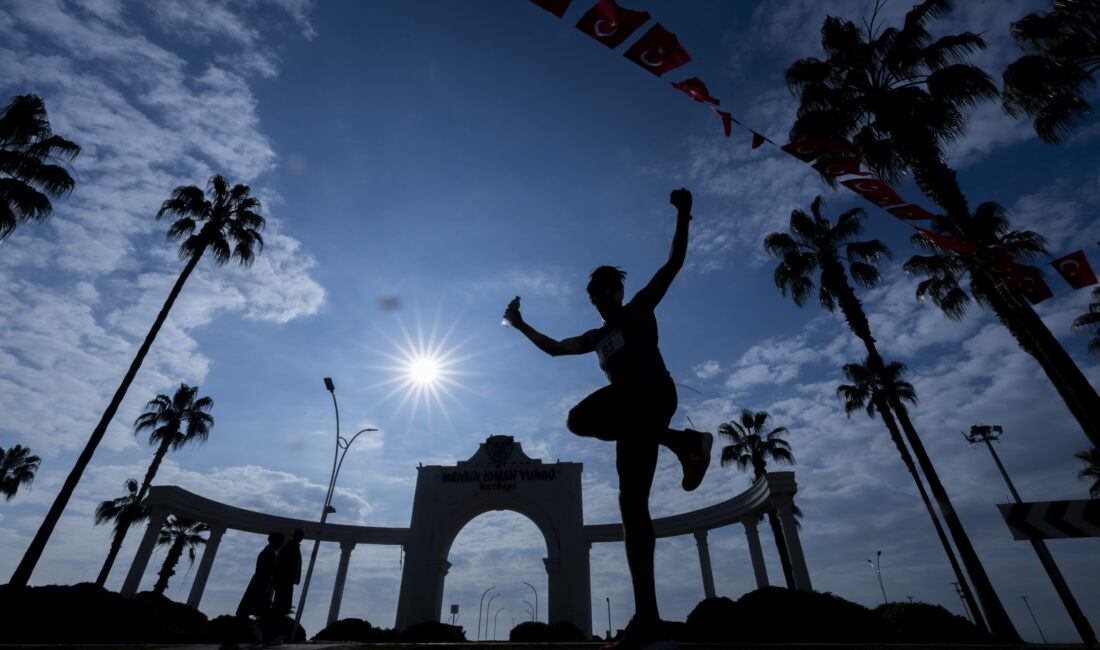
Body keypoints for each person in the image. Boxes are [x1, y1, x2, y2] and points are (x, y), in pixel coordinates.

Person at [503, 187, 712, 650]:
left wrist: (684, 214)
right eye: (593, 295)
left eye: (605, 291)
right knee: (631, 508)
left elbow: (673, 264)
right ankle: (649, 624)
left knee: (580, 416)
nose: (599, 299)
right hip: (632, 416)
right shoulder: (598, 335)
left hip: (654, 394)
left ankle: (684, 443)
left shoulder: (638, 308)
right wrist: (520, 326)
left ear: (617, 289)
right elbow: (557, 348)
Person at [236, 531, 284, 642]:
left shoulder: (269, 552)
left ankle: (264, 635)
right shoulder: (269, 553)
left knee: (257, 611)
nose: (282, 544)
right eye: (281, 541)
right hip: (261, 585)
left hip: (262, 585)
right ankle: (266, 636)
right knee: (256, 611)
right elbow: (267, 570)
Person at [273, 528, 304, 616]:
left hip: (287, 579)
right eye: (299, 535)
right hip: (285, 579)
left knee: (284, 600)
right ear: (295, 535)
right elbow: (284, 563)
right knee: (282, 600)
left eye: (301, 536)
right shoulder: (290, 547)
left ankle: (280, 614)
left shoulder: (292, 546)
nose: (301, 537)